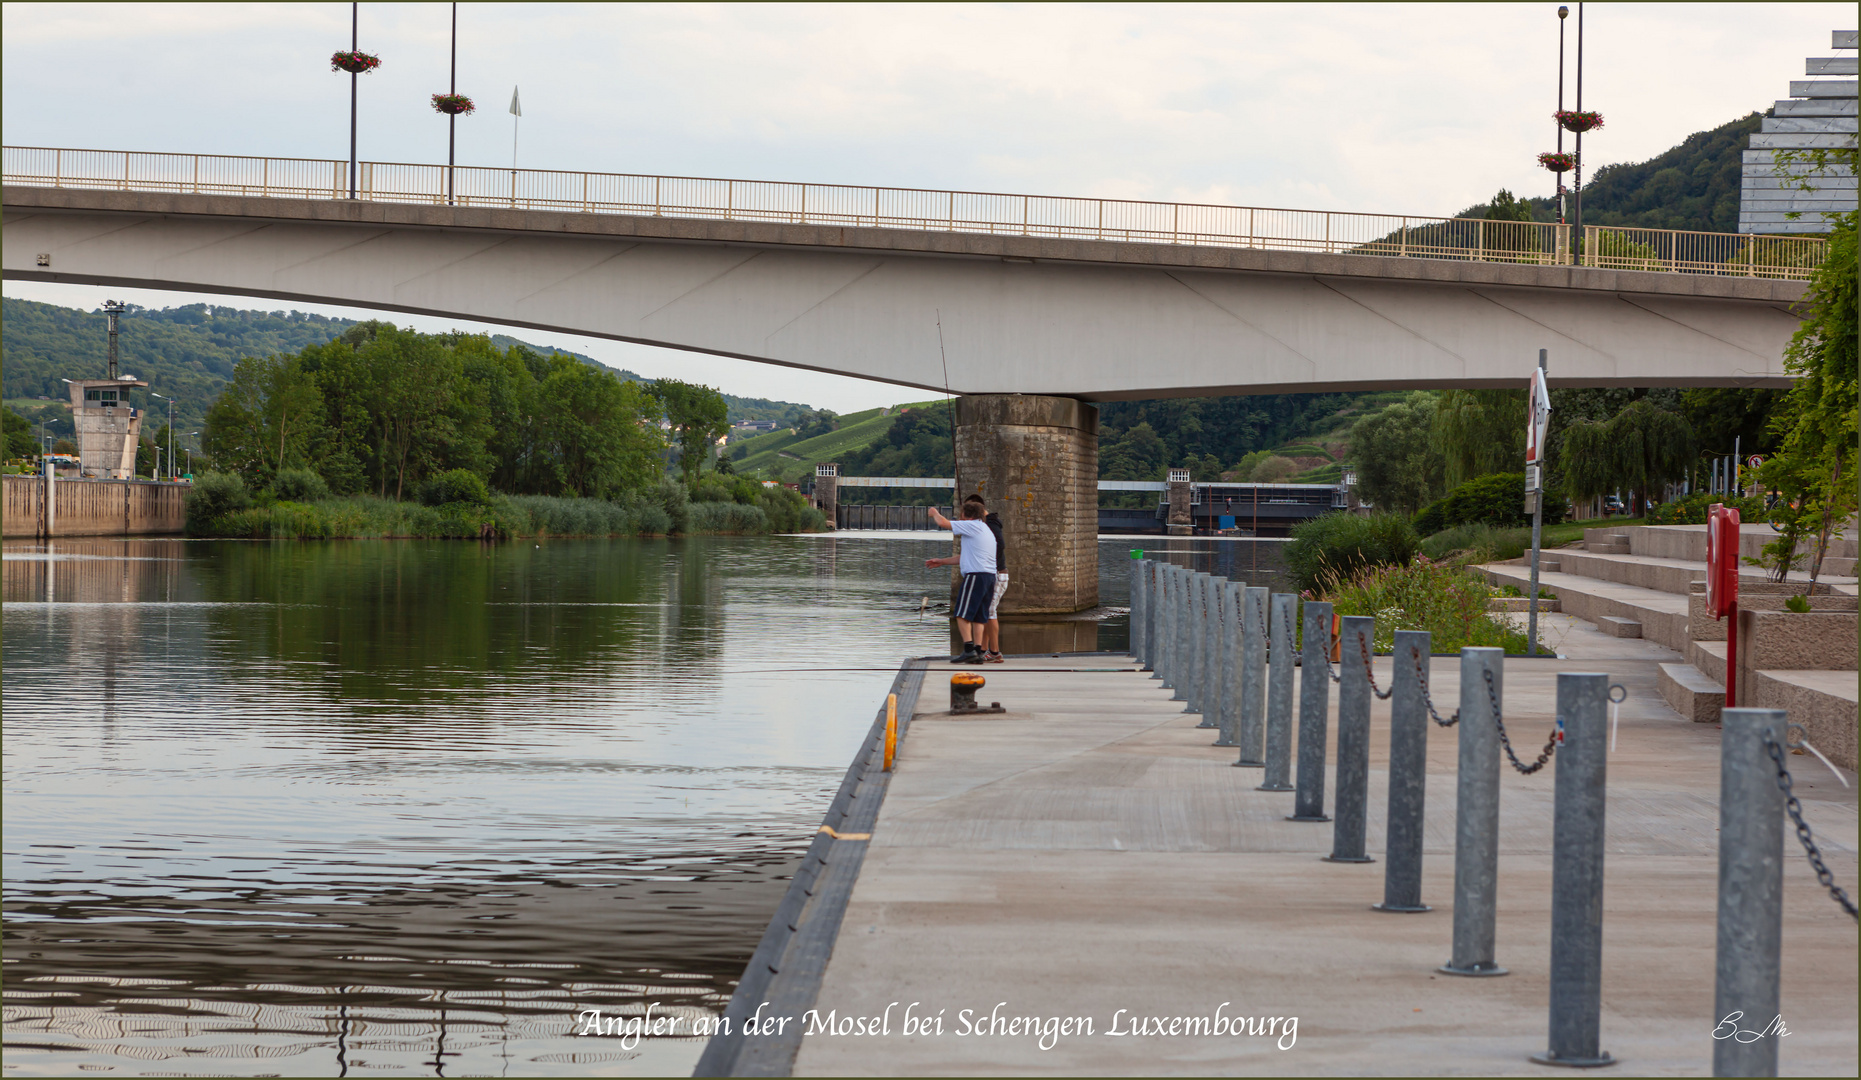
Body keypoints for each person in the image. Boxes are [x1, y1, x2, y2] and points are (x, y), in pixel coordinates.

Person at [927, 495, 1008, 662]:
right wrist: (941, 562)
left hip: (975, 576)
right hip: (989, 577)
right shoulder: (986, 529)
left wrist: (934, 512)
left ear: (968, 516)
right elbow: (967, 556)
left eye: (961, 513)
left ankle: (968, 649)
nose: (960, 517)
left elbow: (943, 523)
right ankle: (978, 652)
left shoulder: (972, 525)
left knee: (961, 614)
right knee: (980, 617)